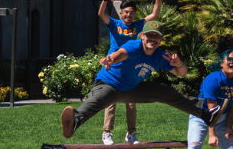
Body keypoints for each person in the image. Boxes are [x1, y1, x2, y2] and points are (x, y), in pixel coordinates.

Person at [59, 20, 222, 138]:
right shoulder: (134, 46)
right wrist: (111, 59)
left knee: (167, 92)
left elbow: (182, 73)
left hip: (132, 89)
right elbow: (121, 53)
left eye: (156, 37)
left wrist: (178, 63)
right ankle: (74, 122)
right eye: (149, 35)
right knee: (97, 102)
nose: (152, 39)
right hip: (109, 84)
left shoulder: (159, 56)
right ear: (142, 35)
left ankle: (205, 114)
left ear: (161, 39)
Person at [96, 0, 167, 145]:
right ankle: (107, 133)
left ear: (135, 14)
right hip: (114, 66)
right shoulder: (114, 24)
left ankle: (131, 134)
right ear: (121, 13)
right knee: (110, 101)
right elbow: (101, 14)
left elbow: (154, 15)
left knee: (131, 103)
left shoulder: (137, 26)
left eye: (131, 12)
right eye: (126, 12)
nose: (128, 15)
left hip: (131, 67)